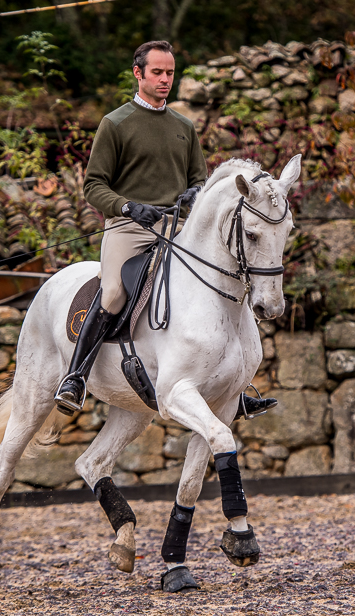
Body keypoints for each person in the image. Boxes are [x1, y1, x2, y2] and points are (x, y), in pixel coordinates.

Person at [55, 40, 273, 421]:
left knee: (223, 284)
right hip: (128, 227)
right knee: (113, 293)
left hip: (176, 228)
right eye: (157, 72)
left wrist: (193, 194)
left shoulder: (184, 127)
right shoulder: (115, 123)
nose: (165, 80)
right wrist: (126, 205)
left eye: (170, 73)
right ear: (138, 73)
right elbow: (93, 186)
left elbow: (199, 183)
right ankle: (75, 377)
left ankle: (234, 386)